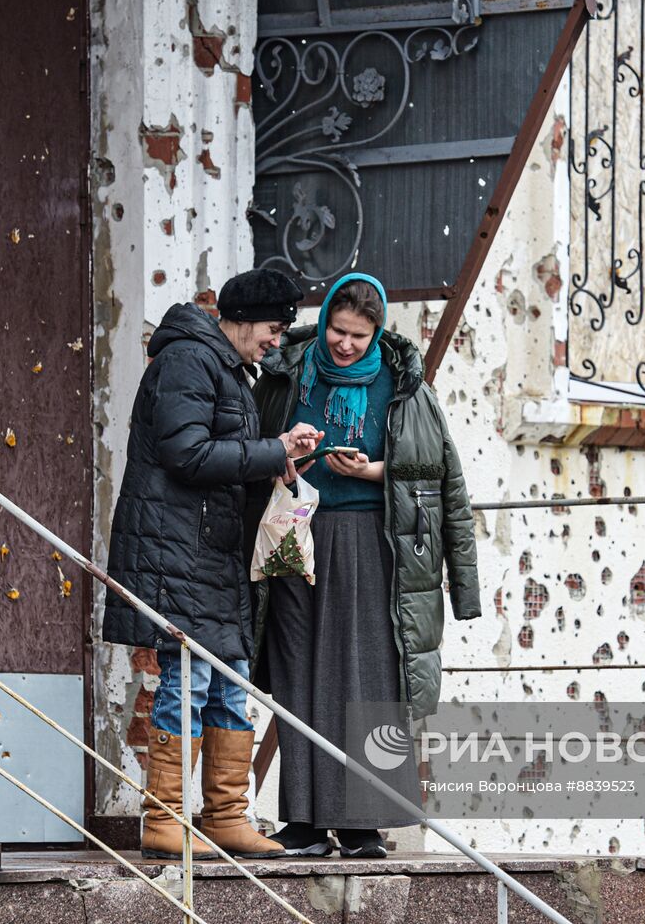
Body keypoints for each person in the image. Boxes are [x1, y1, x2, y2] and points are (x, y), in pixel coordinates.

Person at [252, 272, 480, 858]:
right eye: (337, 328)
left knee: (370, 674)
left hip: (370, 541)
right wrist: (284, 459)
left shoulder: (404, 386)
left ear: (377, 333)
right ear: (324, 318)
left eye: (358, 334)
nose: (344, 344)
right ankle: (301, 819)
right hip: (296, 532)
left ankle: (361, 826)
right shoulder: (291, 370)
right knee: (297, 669)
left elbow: (440, 476)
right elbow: (254, 442)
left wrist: (372, 471)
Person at [103, 268, 321, 860]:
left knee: (229, 684)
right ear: (244, 320)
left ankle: (226, 816)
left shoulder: (223, 367)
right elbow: (186, 452)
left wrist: (277, 462)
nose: (277, 340)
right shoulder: (188, 362)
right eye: (274, 328)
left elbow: (218, 456)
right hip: (178, 550)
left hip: (210, 552)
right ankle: (165, 821)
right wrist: (271, 449)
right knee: (188, 681)